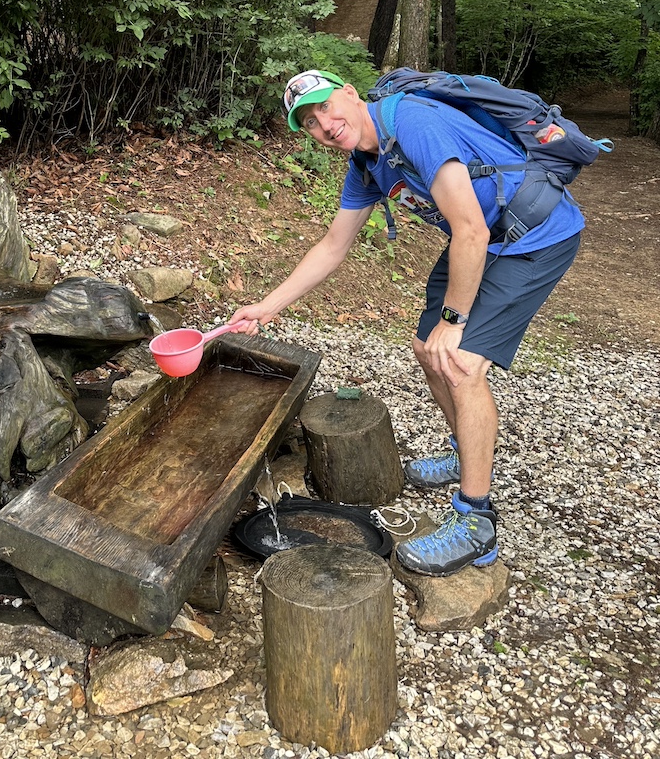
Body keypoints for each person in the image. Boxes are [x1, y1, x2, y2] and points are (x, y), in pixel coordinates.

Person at [230, 68, 584, 577]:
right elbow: (333, 245)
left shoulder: (412, 123)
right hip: (486, 236)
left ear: (351, 94)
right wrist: (268, 305)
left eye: (327, 107)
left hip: (534, 235)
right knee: (426, 347)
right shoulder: (367, 163)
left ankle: (476, 523)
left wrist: (455, 319)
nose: (325, 124)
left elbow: (469, 229)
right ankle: (466, 448)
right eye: (309, 122)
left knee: (460, 361)